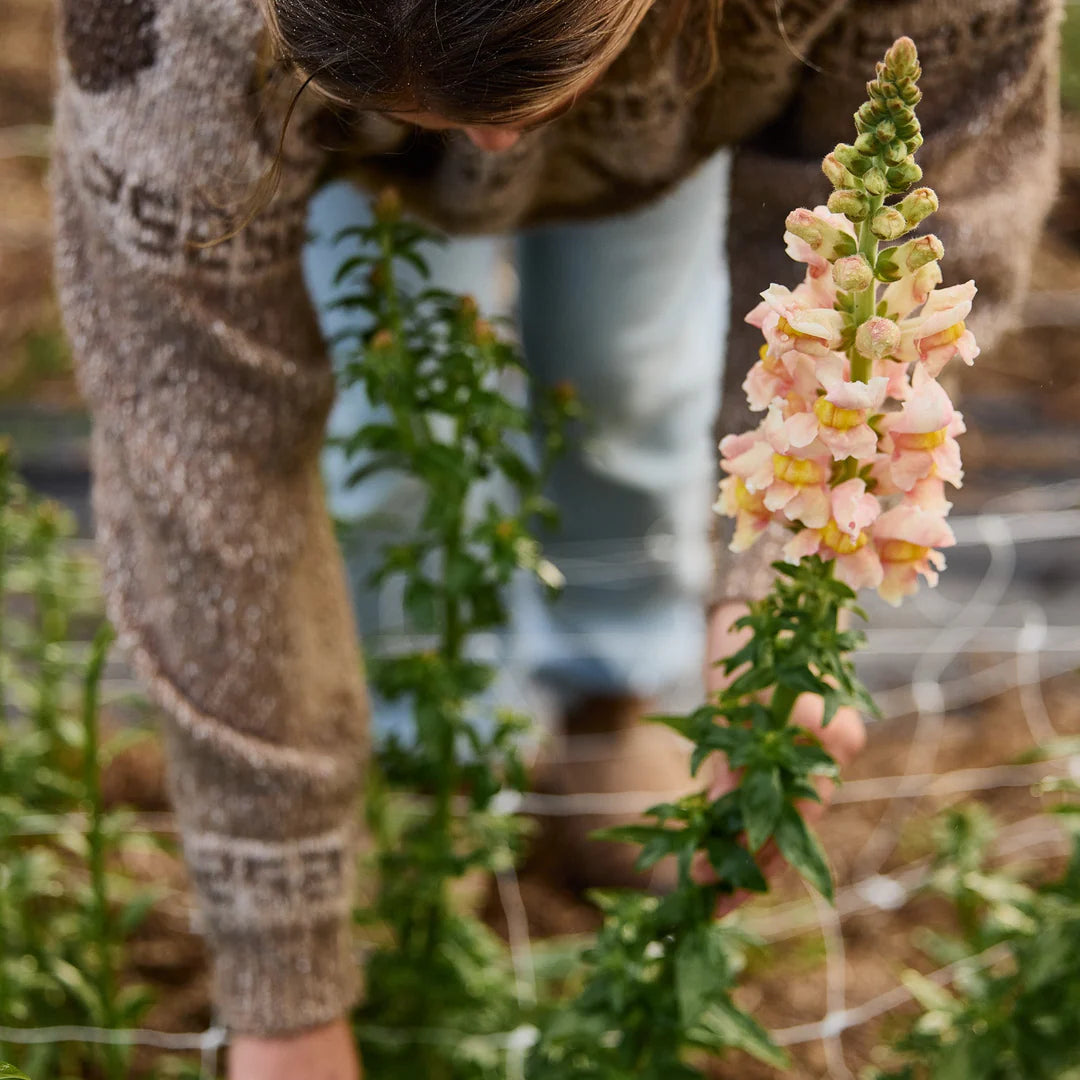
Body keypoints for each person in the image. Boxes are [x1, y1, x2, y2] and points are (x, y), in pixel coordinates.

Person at [51, 0, 1060, 1076]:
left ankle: (606, 701)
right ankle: (428, 768)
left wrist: (784, 571)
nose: (496, 150)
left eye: (523, 96)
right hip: (347, 163)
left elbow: (917, 221)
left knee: (624, 388)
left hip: (683, 85)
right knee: (391, 453)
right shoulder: (171, 35)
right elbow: (210, 470)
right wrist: (282, 1001)